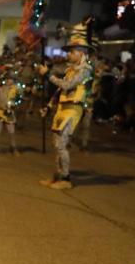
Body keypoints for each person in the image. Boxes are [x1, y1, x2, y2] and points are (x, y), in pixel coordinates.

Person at [40, 23, 95, 190]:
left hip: (73, 109)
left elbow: (67, 85)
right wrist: (49, 106)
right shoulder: (71, 69)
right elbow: (59, 91)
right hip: (62, 108)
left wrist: (48, 75)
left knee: (61, 144)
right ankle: (58, 175)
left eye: (72, 51)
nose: (69, 54)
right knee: (56, 143)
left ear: (82, 53)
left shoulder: (85, 70)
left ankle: (66, 178)